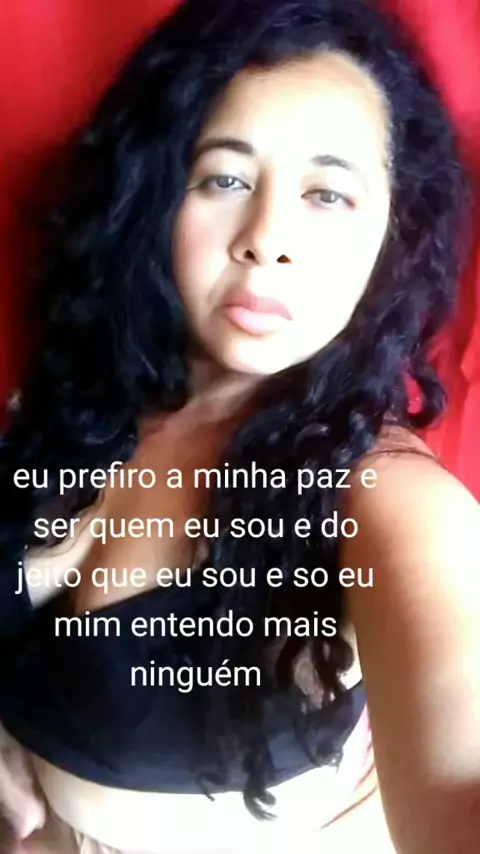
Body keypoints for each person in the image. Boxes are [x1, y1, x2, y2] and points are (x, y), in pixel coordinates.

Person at [0, 0, 479, 851]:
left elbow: (458, 786)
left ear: (392, 234)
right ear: (156, 197)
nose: (266, 240)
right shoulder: (75, 398)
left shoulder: (390, 500)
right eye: (224, 179)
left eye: (327, 194)